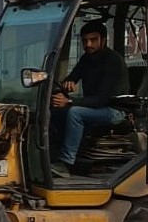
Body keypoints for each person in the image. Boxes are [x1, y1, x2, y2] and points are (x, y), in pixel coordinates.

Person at [50, 21, 128, 177]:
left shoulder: (112, 61)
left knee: (75, 113)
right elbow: (73, 77)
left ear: (103, 40)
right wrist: (67, 84)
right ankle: (54, 156)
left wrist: (70, 101)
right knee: (56, 111)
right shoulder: (86, 59)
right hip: (95, 107)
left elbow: (102, 99)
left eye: (93, 40)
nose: (88, 44)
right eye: (85, 40)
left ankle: (66, 163)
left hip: (115, 110)